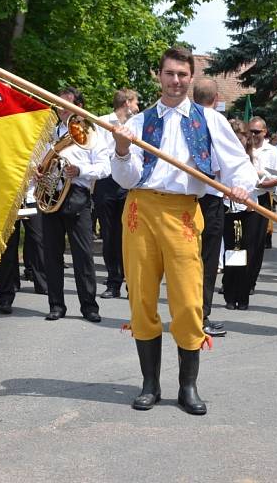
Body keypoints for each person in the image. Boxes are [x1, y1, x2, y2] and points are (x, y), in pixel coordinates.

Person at [111, 46, 257, 415]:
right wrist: (122, 149)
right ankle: (149, 385)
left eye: (182, 75)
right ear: (158, 76)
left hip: (183, 214)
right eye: (169, 73)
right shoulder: (140, 122)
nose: (176, 81)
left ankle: (188, 386)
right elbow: (125, 178)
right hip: (140, 211)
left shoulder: (209, 120)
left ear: (191, 78)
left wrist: (240, 186)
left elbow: (238, 165)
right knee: (141, 299)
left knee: (189, 302)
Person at [40, 87, 110, 323]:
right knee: (52, 255)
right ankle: (56, 305)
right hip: (52, 195)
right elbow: (37, 162)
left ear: (79, 106)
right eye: (59, 105)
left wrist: (80, 170)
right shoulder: (49, 132)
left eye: (67, 105)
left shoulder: (93, 134)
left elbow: (104, 168)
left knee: (83, 256)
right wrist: (38, 172)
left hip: (77, 196)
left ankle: (89, 306)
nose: (61, 109)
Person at [95, 88, 139, 299]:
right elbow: (98, 151)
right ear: (127, 103)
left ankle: (132, 282)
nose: (137, 106)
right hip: (106, 181)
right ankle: (113, 282)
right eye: (136, 102)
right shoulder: (102, 122)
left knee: (130, 234)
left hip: (128, 183)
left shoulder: (136, 123)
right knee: (109, 234)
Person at [192, 78, 227, 337]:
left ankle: (194, 314)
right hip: (210, 199)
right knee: (206, 260)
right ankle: (200, 316)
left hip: (188, 199)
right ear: (216, 98)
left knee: (189, 259)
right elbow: (216, 166)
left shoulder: (188, 121)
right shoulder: (215, 122)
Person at [221, 119, 257, 310]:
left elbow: (254, 181)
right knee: (233, 251)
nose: (238, 141)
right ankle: (230, 293)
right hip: (230, 208)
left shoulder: (249, 158)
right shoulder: (225, 157)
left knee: (247, 252)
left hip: (248, 210)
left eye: (241, 138)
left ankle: (243, 295)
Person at [0, 184, 47, 314]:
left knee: (39, 240)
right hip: (8, 197)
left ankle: (43, 284)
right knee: (8, 246)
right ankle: (6, 295)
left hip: (31, 197)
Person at [247, 117, 277, 291]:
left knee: (256, 243)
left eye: (257, 132)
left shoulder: (272, 152)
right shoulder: (241, 148)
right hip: (240, 198)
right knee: (237, 242)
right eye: (251, 131)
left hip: (261, 197)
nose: (253, 135)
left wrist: (261, 184)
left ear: (265, 132)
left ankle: (250, 280)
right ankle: (233, 279)